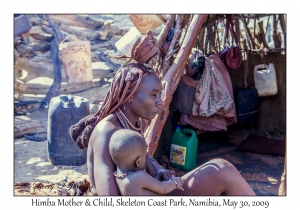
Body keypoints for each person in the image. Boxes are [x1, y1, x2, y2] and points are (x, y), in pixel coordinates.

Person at [69, 32, 255, 196]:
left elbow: (141, 154)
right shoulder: (105, 132)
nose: (160, 101)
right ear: (130, 97)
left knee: (222, 169)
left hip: (150, 192)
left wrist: (158, 169)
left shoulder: (133, 121)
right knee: (222, 171)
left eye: (160, 94)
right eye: (153, 95)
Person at [109, 129, 184, 195]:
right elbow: (162, 188)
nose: (146, 159)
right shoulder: (139, 176)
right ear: (138, 162)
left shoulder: (119, 174)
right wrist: (175, 182)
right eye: (145, 156)